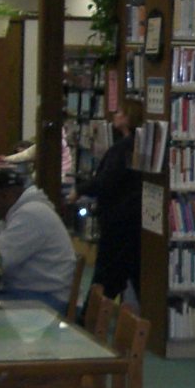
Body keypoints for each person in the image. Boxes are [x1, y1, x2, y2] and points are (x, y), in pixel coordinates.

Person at [0, 168, 75, 310]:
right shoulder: (17, 213)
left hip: (45, 297)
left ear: (3, 196)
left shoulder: (30, 214)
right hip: (33, 292)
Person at [81, 100, 142, 304]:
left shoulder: (122, 148)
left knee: (106, 277)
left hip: (117, 219)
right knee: (132, 273)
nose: (115, 114)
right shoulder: (138, 145)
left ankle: (89, 320)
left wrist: (80, 190)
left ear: (128, 118)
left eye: (121, 112)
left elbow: (106, 181)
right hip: (132, 219)